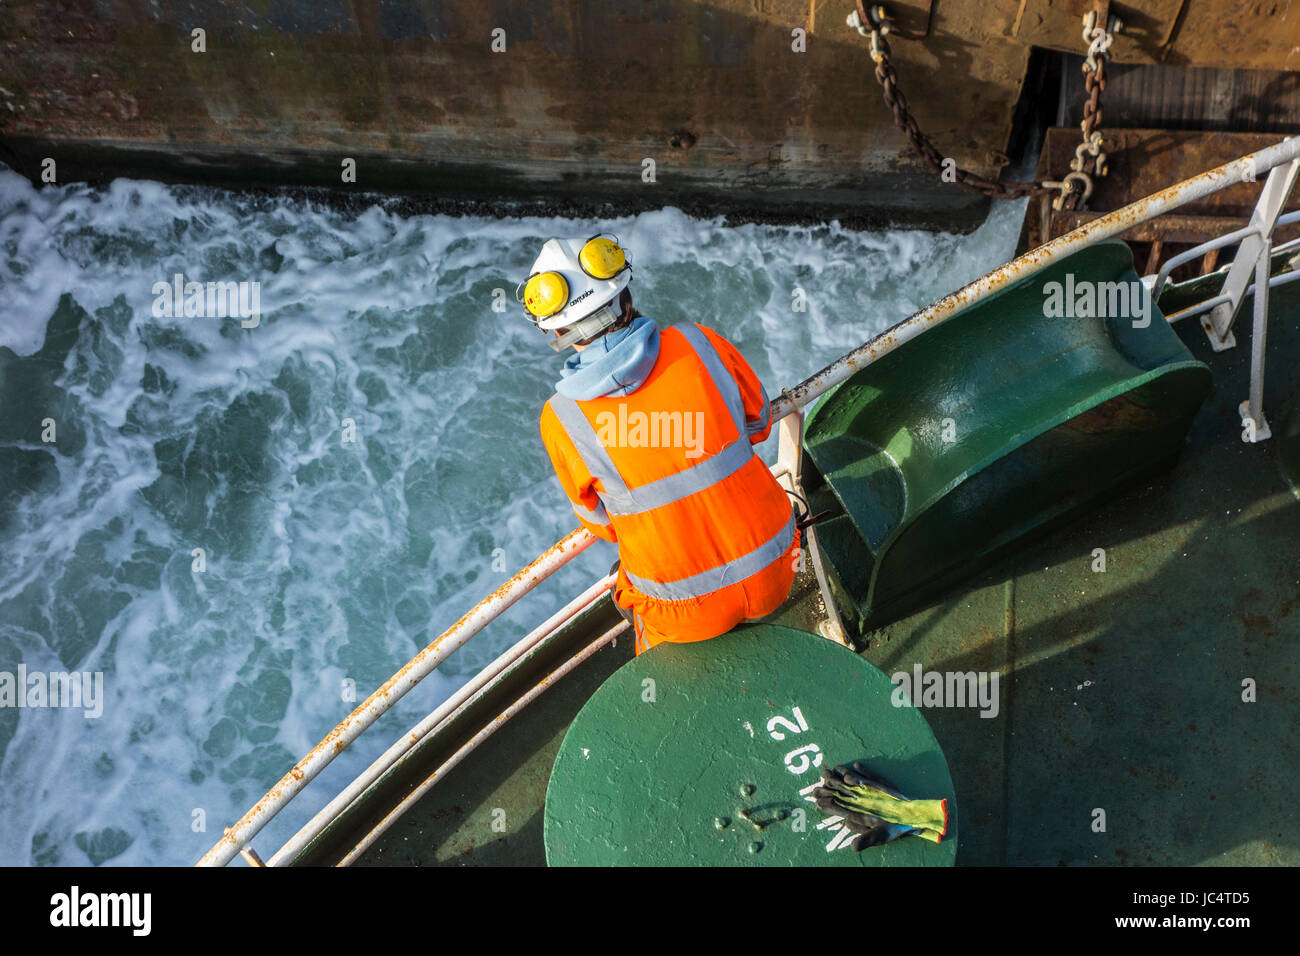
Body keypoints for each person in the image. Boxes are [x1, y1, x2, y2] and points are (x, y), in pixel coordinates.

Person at [517, 234, 800, 655]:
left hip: (685, 611)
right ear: (624, 292)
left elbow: (604, 526)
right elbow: (759, 424)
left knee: (635, 606)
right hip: (778, 567)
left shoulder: (562, 417)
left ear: (557, 330)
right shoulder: (699, 342)